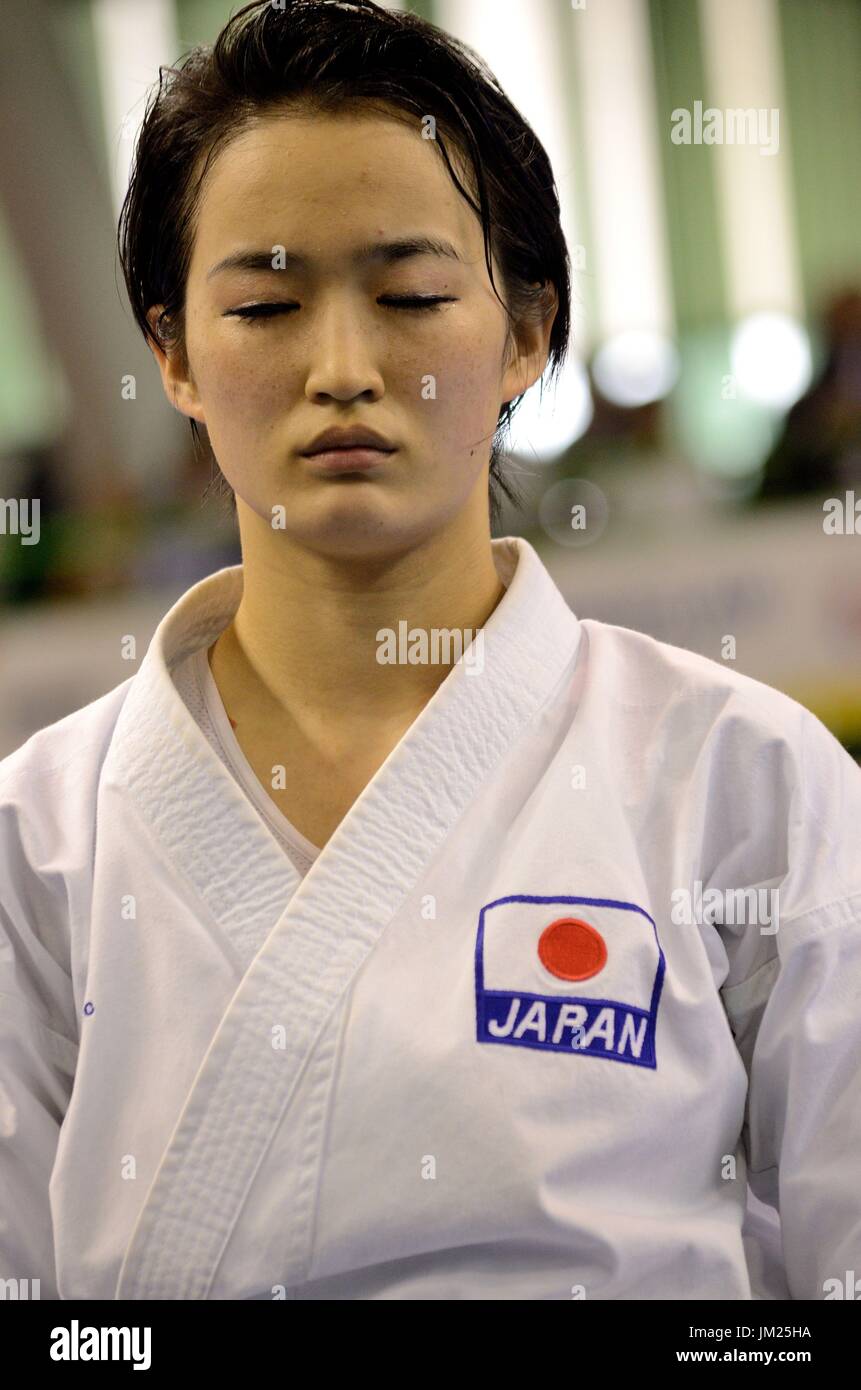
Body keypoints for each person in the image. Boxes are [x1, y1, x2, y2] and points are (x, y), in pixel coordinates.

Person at [2, 0, 860, 1303]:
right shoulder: (40, 839)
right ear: (172, 352)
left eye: (409, 295)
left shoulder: (744, 781)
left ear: (523, 333)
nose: (342, 365)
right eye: (266, 303)